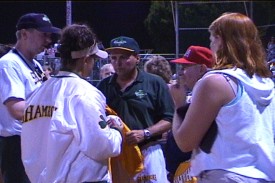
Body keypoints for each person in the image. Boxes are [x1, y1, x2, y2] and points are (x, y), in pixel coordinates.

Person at [172, 12, 275, 182]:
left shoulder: (216, 82)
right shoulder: (266, 83)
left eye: (212, 40)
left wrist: (178, 104)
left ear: (220, 40)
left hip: (226, 174)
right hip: (263, 176)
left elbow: (185, 143)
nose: (211, 45)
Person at [21, 23, 123, 183]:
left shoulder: (38, 93)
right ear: (86, 60)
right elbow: (101, 145)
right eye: (94, 59)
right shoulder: (84, 92)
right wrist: (117, 132)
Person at [97, 36, 174, 183]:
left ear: (137, 58)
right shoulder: (104, 86)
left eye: (124, 57)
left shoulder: (154, 83)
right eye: (113, 58)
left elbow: (169, 118)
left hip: (148, 150)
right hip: (117, 154)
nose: (117, 63)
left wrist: (146, 133)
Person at [0, 13, 60, 183]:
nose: (48, 40)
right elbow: (17, 109)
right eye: (43, 34)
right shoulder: (9, 63)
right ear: (25, 34)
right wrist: (54, 110)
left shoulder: (35, 64)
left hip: (34, 141)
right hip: (17, 144)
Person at [166, 45, 213, 183]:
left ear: (202, 69)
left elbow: (184, 143)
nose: (180, 73)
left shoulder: (210, 96)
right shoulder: (196, 96)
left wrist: (179, 104)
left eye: (186, 67)